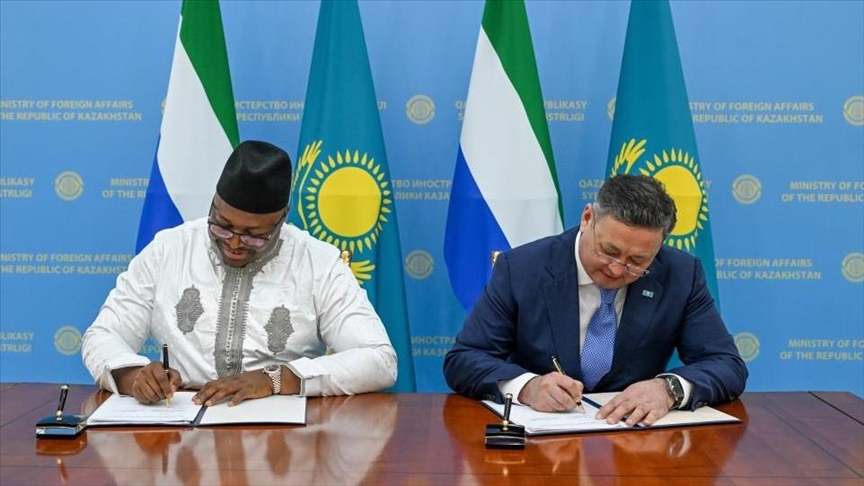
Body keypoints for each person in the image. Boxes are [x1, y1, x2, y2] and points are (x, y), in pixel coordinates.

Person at [82, 140, 397, 406]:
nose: (234, 243)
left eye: (254, 236)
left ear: (282, 219)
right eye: (222, 226)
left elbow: (379, 360)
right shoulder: (169, 250)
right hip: (181, 429)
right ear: (213, 204)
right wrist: (133, 375)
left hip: (281, 437)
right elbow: (102, 335)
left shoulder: (318, 263)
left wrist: (276, 380)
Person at [443, 174, 747, 426]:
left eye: (637, 261)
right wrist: (527, 387)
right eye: (609, 251)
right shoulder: (522, 268)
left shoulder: (680, 274)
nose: (617, 269)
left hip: (636, 443)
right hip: (542, 446)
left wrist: (668, 389)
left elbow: (727, 364)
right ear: (587, 218)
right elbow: (464, 359)